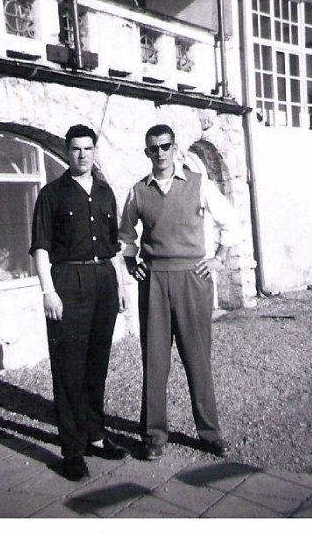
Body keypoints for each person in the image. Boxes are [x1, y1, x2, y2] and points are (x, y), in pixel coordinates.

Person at [119, 124, 238, 460]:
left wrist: (218, 259)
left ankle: (210, 432)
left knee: (197, 358)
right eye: (153, 148)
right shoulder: (138, 191)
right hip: (154, 280)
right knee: (155, 360)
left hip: (192, 279)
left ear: (175, 148)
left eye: (165, 146)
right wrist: (131, 265)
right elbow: (125, 235)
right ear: (146, 152)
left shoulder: (199, 185)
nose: (160, 153)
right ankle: (154, 435)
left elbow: (230, 222)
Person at [29, 124, 128, 481]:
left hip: (103, 281)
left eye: (88, 149)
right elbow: (40, 247)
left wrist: (120, 284)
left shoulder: (105, 192)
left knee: (96, 362)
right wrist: (48, 291)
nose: (82, 155)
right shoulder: (51, 194)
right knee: (69, 367)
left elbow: (113, 246)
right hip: (68, 282)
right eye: (76, 149)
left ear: (94, 151)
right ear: (67, 152)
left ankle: (96, 436)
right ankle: (71, 450)